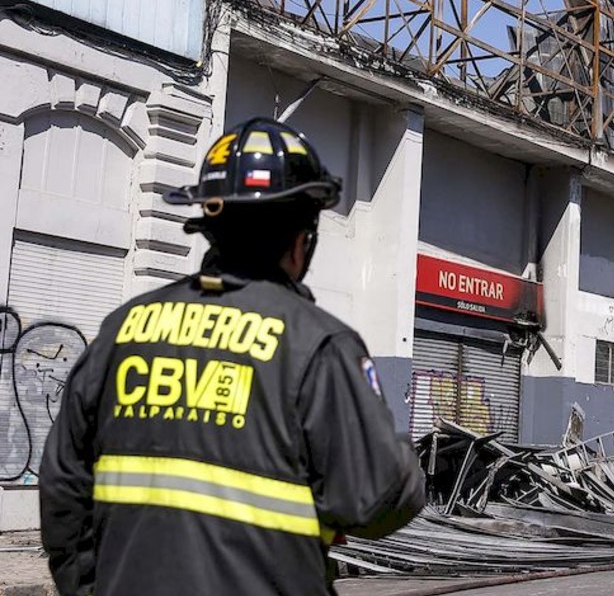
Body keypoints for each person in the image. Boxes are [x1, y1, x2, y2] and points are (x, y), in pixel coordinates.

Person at [39, 118, 426, 596]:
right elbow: (376, 499)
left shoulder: (122, 331)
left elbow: (63, 490)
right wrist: (403, 455)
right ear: (302, 240)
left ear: (211, 226)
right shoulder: (319, 347)